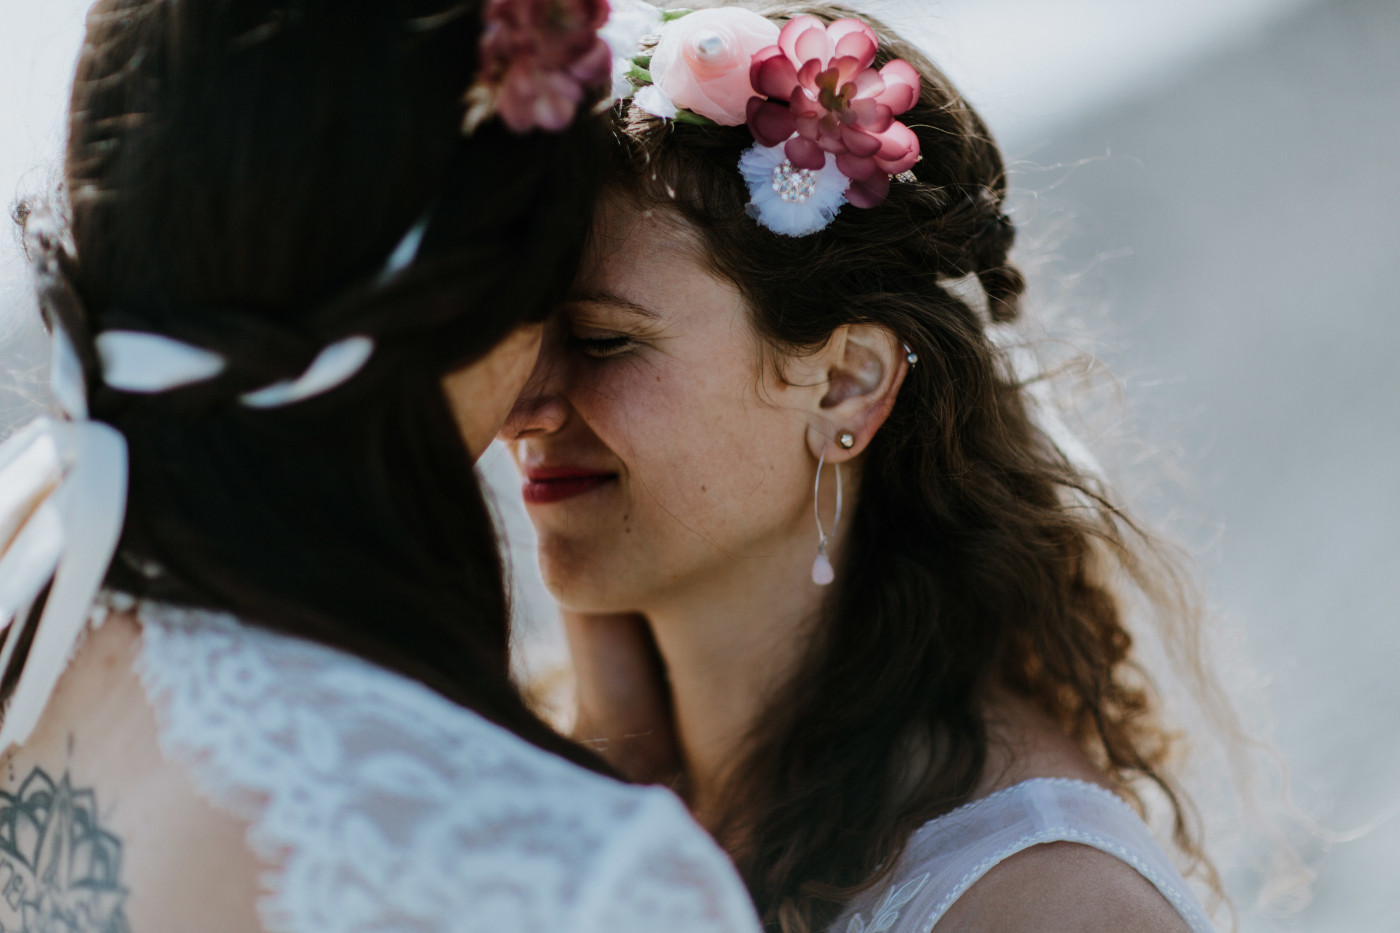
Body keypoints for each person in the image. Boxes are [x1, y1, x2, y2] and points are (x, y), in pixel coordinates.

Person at [0, 2, 762, 931]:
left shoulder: (39, 561)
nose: (536, 403)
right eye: (550, 303)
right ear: (456, 286)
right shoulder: (572, 876)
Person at [502, 3, 1226, 931]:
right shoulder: (586, 777)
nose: (523, 404)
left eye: (600, 341)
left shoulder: (1037, 902)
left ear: (847, 384)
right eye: (516, 333)